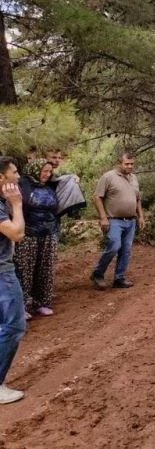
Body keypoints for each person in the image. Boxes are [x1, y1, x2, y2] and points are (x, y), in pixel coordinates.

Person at [89, 151, 145, 290]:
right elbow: (97, 197)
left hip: (130, 221)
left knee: (126, 250)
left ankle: (119, 278)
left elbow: (137, 199)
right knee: (114, 246)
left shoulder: (134, 178)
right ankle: (98, 273)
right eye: (127, 164)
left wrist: (141, 216)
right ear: (119, 163)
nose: (130, 166)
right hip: (113, 220)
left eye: (132, 164)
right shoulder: (108, 177)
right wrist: (103, 217)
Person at [15, 159, 60, 317]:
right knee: (25, 270)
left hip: (48, 234)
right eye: (44, 171)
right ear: (35, 170)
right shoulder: (23, 186)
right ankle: (23, 306)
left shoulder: (49, 187)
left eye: (49, 172)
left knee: (45, 269)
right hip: (28, 235)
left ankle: (41, 303)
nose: (47, 174)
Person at [0, 157, 27, 404]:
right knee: (14, 325)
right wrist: (17, 204)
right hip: (1, 273)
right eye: (14, 172)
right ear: (1, 178)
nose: (18, 177)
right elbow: (17, 233)